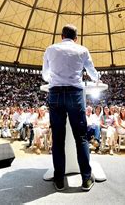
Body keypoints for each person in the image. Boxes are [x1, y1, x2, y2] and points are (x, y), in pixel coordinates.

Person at [42, 24, 99, 192]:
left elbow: (45, 75)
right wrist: (96, 78)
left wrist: (55, 76)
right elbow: (92, 72)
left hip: (56, 93)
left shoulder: (50, 49)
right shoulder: (82, 50)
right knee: (81, 137)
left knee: (58, 138)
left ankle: (59, 179)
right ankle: (86, 179)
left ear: (61, 36)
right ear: (76, 38)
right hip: (75, 93)